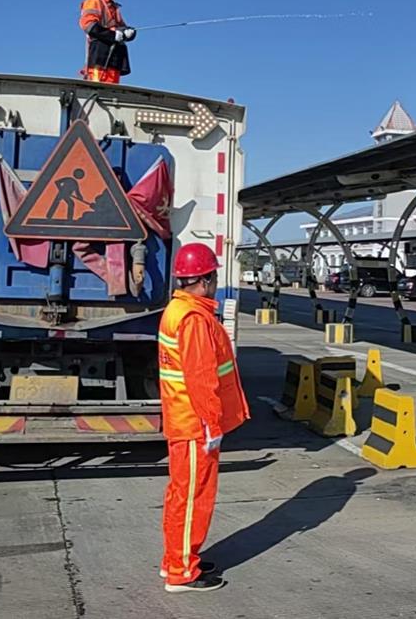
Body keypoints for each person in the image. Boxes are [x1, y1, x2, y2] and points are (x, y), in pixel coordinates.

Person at [158, 243, 250, 593]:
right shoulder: (194, 319)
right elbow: (201, 377)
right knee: (194, 496)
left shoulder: (178, 310)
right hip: (196, 423)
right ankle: (182, 571)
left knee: (184, 494)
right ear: (207, 280)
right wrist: (212, 424)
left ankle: (178, 559)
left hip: (185, 420)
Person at [79, 0, 136, 84]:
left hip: (114, 60)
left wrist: (129, 32)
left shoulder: (113, 7)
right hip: (100, 59)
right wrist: (112, 35)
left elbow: (120, 27)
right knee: (98, 91)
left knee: (111, 93)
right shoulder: (94, 1)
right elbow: (88, 26)